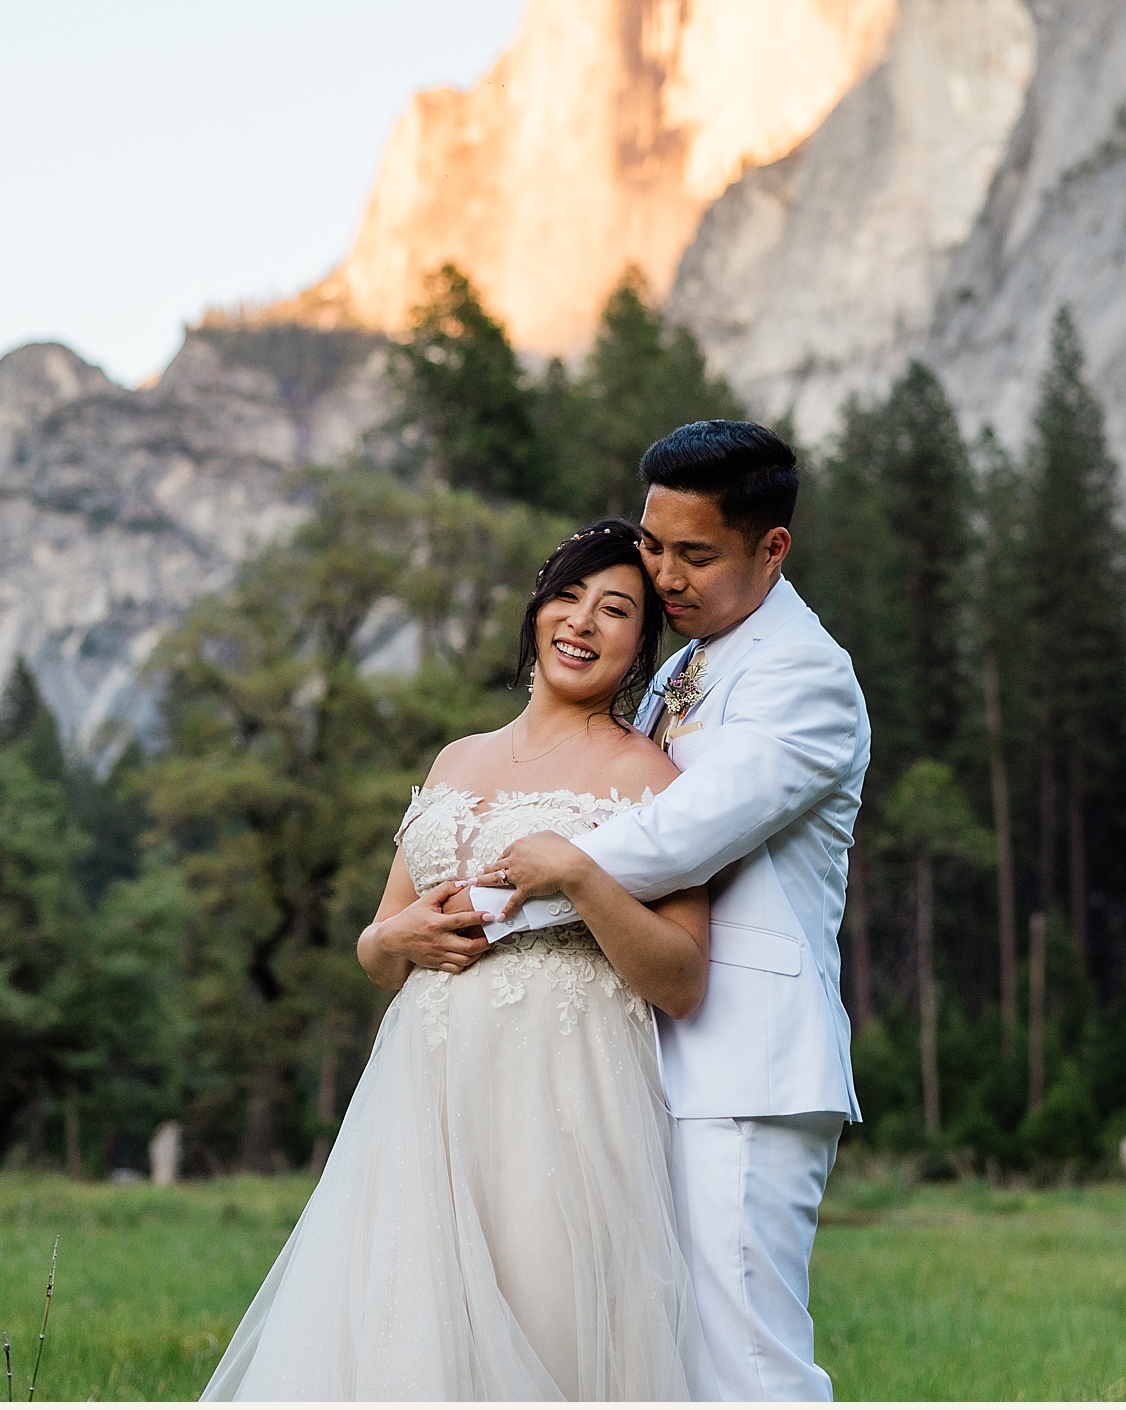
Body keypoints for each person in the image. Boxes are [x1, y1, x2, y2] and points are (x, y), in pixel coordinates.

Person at [201, 518, 721, 1400]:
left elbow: (681, 979)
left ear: (641, 645)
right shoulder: (457, 758)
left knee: (547, 1320)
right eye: (569, 595)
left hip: (560, 1100)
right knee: (403, 1341)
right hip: (422, 1095)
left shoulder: (649, 779)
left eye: (617, 609)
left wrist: (580, 876)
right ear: (535, 610)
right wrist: (388, 939)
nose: (584, 622)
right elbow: (379, 945)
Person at [483, 419, 871, 1402]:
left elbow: (677, 836)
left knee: (745, 1366)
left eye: (695, 554)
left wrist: (492, 904)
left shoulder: (803, 676)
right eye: (653, 545)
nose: (664, 575)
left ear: (771, 546)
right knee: (665, 1362)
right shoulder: (680, 668)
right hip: (648, 1058)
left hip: (744, 1067)